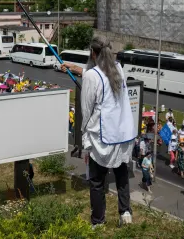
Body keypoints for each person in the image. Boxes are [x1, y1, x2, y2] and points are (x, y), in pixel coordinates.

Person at [81, 36, 135, 227]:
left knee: (96, 181)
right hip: (123, 135)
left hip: (102, 137)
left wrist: (83, 136)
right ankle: (125, 213)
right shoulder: (119, 69)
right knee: (121, 177)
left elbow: (86, 112)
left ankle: (98, 220)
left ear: (93, 53)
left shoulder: (91, 76)